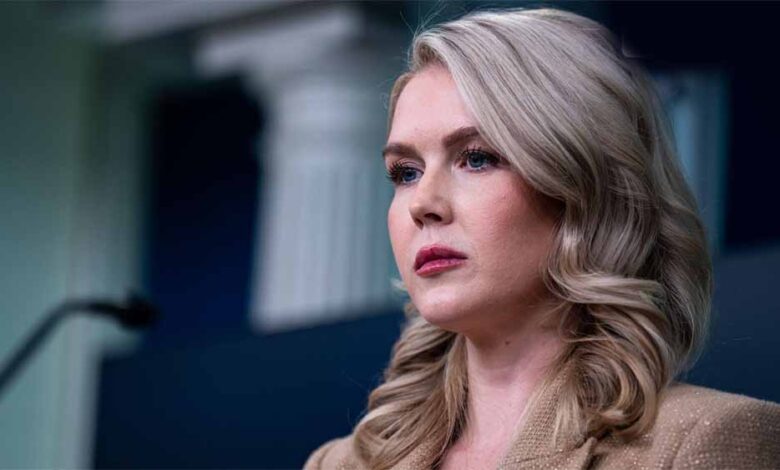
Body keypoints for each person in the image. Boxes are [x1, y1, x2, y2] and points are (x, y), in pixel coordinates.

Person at [304, 7, 780, 470]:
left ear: (582, 186)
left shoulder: (703, 442)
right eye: (406, 172)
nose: (422, 204)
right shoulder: (337, 464)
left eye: (476, 158)